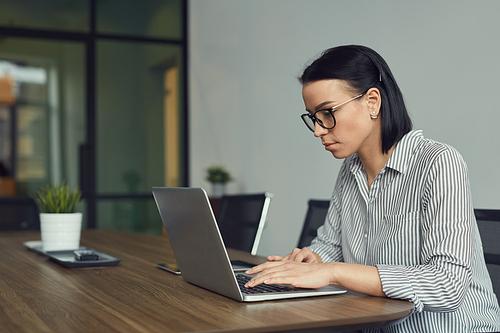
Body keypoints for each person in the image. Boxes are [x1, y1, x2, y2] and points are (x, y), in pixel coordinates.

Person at [245, 45, 500, 332]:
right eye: (313, 117)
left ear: (372, 102)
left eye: (327, 112)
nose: (318, 130)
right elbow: (331, 246)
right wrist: (312, 260)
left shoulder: (439, 163)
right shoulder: (350, 169)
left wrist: (331, 271)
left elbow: (446, 285)